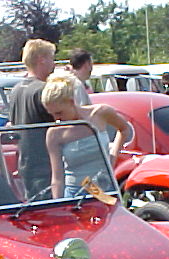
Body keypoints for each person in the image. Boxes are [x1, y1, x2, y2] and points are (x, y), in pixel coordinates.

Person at [41, 71, 129, 198]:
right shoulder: (54, 133)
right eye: (52, 114)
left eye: (59, 113)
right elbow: (57, 178)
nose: (57, 119)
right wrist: (59, 206)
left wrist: (112, 157)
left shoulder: (100, 113)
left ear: (71, 102)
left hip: (101, 188)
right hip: (74, 192)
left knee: (111, 216)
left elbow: (124, 129)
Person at [8, 38, 56, 197]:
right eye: (51, 58)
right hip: (45, 166)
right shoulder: (43, 90)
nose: (53, 63)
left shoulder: (15, 90)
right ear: (41, 59)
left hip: (25, 164)